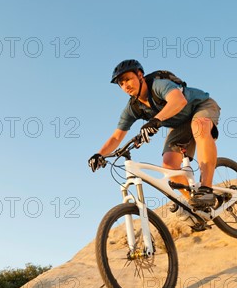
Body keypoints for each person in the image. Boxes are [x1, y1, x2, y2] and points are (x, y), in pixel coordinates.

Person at [88, 59, 221, 208]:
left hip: (200, 106)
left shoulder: (158, 85)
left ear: (140, 75)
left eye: (128, 79)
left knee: (199, 126)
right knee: (169, 164)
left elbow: (178, 101)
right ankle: (195, 205)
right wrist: (99, 154)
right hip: (179, 124)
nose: (125, 86)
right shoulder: (133, 108)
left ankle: (206, 189)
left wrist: (155, 120)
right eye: (121, 84)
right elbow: (116, 136)